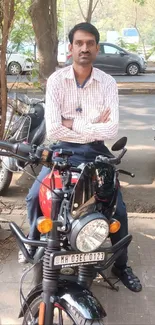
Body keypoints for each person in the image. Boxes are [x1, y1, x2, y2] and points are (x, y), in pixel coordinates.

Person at [20, 22, 142, 292]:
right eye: (79, 43)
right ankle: (33, 245)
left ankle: (121, 266)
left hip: (97, 150)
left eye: (89, 43)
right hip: (62, 148)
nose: (84, 48)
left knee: (117, 209)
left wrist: (72, 122)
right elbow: (53, 128)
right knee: (33, 197)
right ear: (71, 47)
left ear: (97, 48)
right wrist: (90, 124)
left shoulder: (108, 82)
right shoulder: (56, 81)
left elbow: (110, 129)